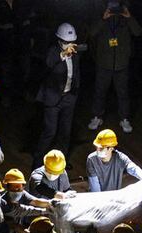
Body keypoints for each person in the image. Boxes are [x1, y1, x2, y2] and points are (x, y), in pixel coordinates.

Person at [87, 0, 142, 134]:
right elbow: (92, 32)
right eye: (112, 7)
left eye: (116, 7)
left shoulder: (126, 19)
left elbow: (138, 32)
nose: (114, 10)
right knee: (99, 91)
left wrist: (129, 17)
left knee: (123, 93)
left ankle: (124, 118)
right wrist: (102, 19)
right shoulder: (101, 16)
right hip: (103, 63)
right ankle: (97, 117)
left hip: (121, 64)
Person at [34, 23, 81, 165]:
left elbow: (76, 73)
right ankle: (37, 163)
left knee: (65, 133)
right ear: (60, 41)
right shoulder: (53, 52)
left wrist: (74, 93)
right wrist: (62, 55)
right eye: (66, 42)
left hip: (68, 98)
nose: (69, 45)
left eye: (71, 42)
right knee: (50, 132)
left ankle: (61, 162)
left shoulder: (75, 54)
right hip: (53, 99)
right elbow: (47, 64)